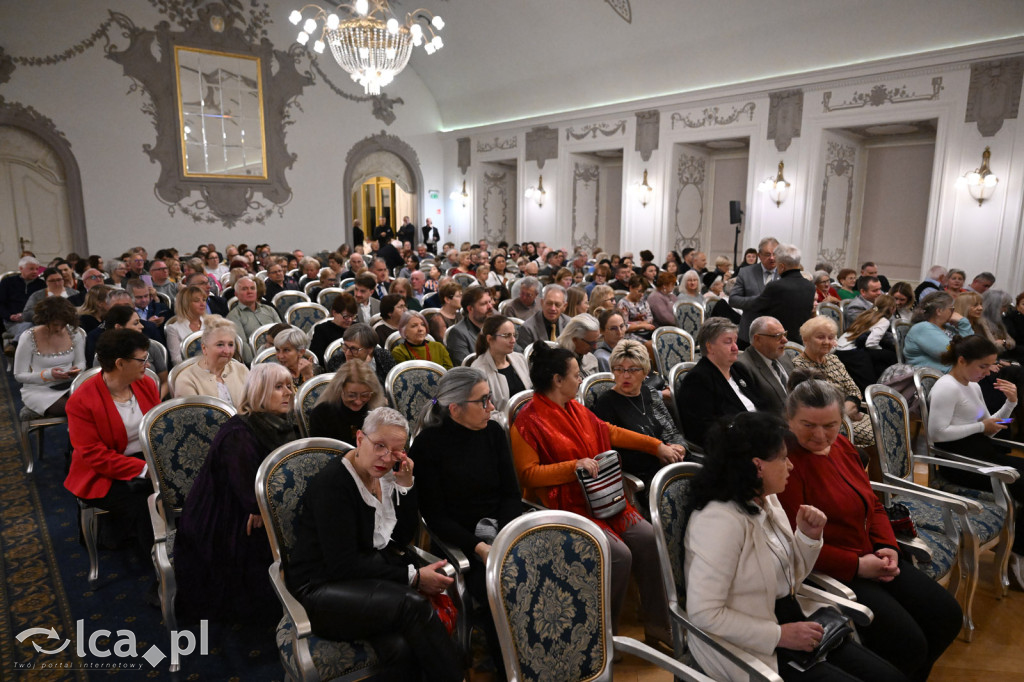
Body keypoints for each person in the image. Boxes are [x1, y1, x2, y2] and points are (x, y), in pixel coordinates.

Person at [685, 411, 908, 682]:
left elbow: (792, 578)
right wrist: (780, 636)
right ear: (758, 466)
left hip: (790, 619)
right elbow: (704, 614)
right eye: (783, 458)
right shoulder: (719, 521)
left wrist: (807, 536)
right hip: (747, 647)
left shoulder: (765, 498)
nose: (790, 466)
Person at [778, 376, 962, 680]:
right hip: (833, 569)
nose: (822, 436)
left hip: (874, 553)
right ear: (788, 418)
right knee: (908, 643)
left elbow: (873, 505)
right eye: (808, 425)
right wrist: (857, 565)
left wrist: (886, 544)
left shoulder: (842, 446)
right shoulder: (786, 463)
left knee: (946, 616)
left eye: (831, 425)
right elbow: (791, 542)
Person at [511, 342, 673, 644]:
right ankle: (600, 638)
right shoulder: (527, 421)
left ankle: (657, 623)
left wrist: (656, 445)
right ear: (558, 380)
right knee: (619, 555)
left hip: (601, 498)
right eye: (575, 374)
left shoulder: (575, 408)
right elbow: (528, 475)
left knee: (650, 538)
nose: (581, 378)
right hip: (562, 508)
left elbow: (610, 432)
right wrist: (573, 466)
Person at [286, 406, 463, 680]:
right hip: (321, 588)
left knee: (401, 648)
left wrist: (405, 485)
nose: (385, 457)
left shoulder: (385, 477)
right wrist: (414, 577)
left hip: (364, 580)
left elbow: (402, 537)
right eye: (379, 445)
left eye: (396, 451)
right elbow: (342, 565)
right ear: (359, 439)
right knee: (412, 605)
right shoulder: (334, 484)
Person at [411, 368, 522, 673]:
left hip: (500, 528)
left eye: (489, 398)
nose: (492, 407)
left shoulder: (493, 432)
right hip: (460, 539)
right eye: (483, 401)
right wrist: (479, 547)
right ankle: (511, 670)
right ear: (455, 408)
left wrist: (502, 534)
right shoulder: (428, 445)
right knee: (497, 586)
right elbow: (435, 517)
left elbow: (511, 495)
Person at [173, 364, 299, 625]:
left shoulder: (285, 422)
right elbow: (247, 492)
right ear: (259, 392)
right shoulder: (239, 434)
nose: (288, 393)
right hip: (223, 515)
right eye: (279, 387)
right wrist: (258, 509)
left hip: (258, 505)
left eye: (289, 385)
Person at [925, 334, 1024, 583]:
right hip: (960, 463)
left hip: (981, 454)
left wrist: (1012, 403)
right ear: (961, 360)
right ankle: (1017, 554)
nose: (989, 371)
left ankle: (1016, 547)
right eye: (983, 366)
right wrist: (981, 428)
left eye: (991, 365)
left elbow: (992, 424)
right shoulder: (946, 387)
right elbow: (936, 433)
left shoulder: (973, 386)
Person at [64, 329, 159, 562]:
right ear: (120, 363)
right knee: (148, 502)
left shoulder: (146, 384)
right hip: (101, 473)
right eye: (142, 359)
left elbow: (158, 427)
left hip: (145, 460)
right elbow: (93, 455)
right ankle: (160, 569)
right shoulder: (82, 401)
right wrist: (146, 470)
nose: (147, 364)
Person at [592, 340, 687, 488]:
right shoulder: (606, 404)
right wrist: (659, 456)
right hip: (645, 477)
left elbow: (672, 432)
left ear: (645, 372)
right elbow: (612, 455)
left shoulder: (650, 393)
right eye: (619, 369)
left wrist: (680, 447)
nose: (625, 375)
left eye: (633, 369)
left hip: (673, 463)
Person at [676, 317, 765, 448]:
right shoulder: (698, 380)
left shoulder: (738, 369)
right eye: (728, 342)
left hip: (761, 435)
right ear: (709, 347)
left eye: (735, 341)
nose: (735, 347)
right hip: (735, 446)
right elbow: (704, 429)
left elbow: (761, 404)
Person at [793, 317, 875, 448]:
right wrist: (844, 414)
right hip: (826, 423)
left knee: (886, 427)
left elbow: (854, 391)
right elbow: (817, 402)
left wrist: (844, 412)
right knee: (876, 436)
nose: (827, 342)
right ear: (805, 339)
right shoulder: (799, 365)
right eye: (820, 337)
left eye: (831, 338)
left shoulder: (834, 360)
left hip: (846, 415)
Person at [14, 297, 86, 417]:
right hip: (39, 390)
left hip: (70, 385)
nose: (59, 328)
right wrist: (48, 375)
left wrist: (76, 370)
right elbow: (19, 375)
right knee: (78, 410)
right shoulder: (28, 337)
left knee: (97, 405)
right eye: (55, 324)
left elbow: (81, 363)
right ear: (45, 319)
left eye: (63, 324)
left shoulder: (75, 333)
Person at [738, 244, 816, 344]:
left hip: (776, 341)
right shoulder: (810, 286)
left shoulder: (775, 286)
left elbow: (756, 307)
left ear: (782, 266)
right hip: (800, 341)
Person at [173, 315, 250, 406]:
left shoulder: (241, 369)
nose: (227, 351)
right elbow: (194, 417)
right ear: (204, 348)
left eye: (230, 344)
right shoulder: (187, 378)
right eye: (220, 344)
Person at [309, 359, 385, 442]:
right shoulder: (321, 414)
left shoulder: (378, 412)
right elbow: (321, 451)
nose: (358, 401)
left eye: (365, 395)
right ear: (339, 390)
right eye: (351, 395)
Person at [835, 294, 898, 389]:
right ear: (892, 309)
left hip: (840, 348)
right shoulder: (884, 321)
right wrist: (880, 350)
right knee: (890, 356)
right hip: (851, 352)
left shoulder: (867, 314)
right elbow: (870, 343)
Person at [735, 315, 794, 415]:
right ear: (758, 339)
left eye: (784, 334)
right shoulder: (743, 366)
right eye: (778, 336)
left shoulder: (785, 356)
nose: (785, 340)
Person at [471, 315, 531, 411]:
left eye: (514, 335)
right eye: (507, 336)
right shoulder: (479, 369)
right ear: (489, 339)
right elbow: (484, 410)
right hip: (501, 422)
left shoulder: (519, 358)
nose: (513, 340)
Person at [903, 292, 973, 371]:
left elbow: (973, 346)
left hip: (954, 374)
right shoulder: (923, 328)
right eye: (951, 309)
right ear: (939, 311)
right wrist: (964, 323)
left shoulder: (948, 327)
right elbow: (953, 354)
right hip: (931, 377)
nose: (954, 313)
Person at [330, 323, 396, 386]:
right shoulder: (336, 361)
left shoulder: (384, 356)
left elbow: (393, 386)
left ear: (369, 350)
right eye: (345, 346)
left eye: (353, 349)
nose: (347, 353)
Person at [445, 286, 495, 366]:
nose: (490, 306)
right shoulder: (458, 333)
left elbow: (517, 350)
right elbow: (466, 366)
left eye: (490, 302)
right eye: (484, 304)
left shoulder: (496, 325)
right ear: (470, 309)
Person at [226, 275, 281, 340]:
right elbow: (243, 345)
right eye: (244, 289)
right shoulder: (233, 316)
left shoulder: (269, 309)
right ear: (236, 294)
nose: (250, 292)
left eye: (252, 288)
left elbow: (282, 333)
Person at [310, 293, 358, 366]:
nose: (350, 320)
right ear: (334, 312)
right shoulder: (322, 330)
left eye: (352, 316)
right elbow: (316, 360)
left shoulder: (357, 328)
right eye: (346, 316)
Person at [166, 285, 207, 365]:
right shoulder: (173, 328)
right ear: (185, 304)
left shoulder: (211, 323)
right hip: (189, 371)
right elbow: (176, 360)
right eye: (197, 301)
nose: (203, 304)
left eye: (204, 300)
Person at [616, 275, 655, 341]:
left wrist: (641, 322)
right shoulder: (623, 304)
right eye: (639, 291)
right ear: (631, 288)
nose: (642, 294)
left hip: (645, 332)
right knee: (650, 345)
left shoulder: (643, 300)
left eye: (643, 291)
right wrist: (641, 325)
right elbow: (624, 326)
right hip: (630, 335)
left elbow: (650, 317)